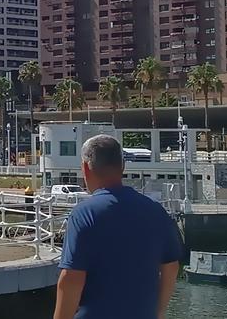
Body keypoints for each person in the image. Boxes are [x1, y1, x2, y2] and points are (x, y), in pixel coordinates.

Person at [54, 135, 181, 319]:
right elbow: (171, 267)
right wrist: (158, 312)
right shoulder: (155, 210)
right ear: (122, 166)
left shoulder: (84, 214)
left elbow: (71, 279)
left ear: (85, 168)